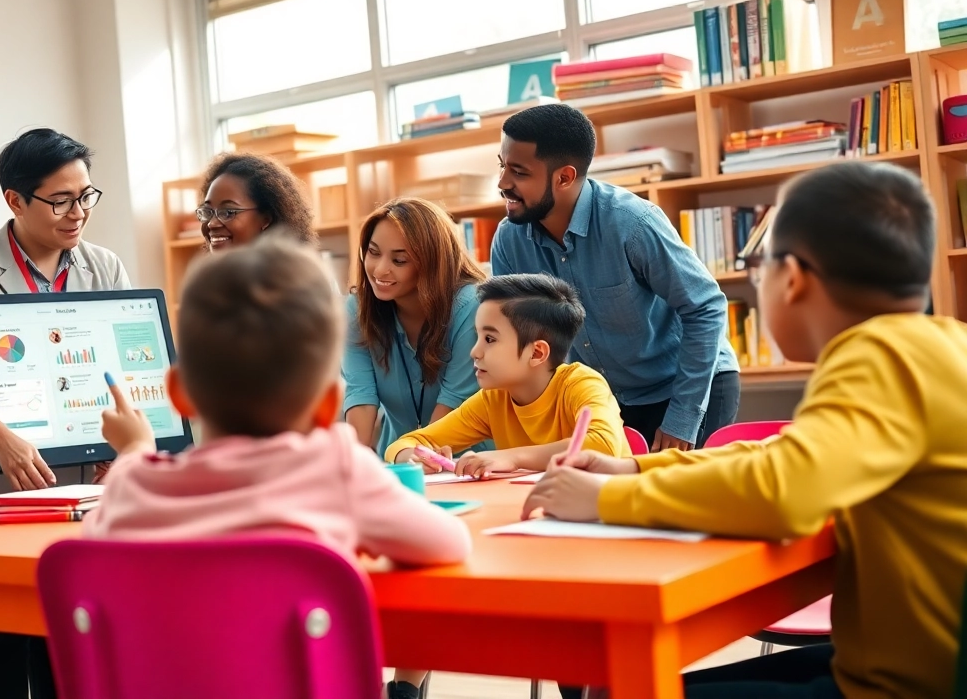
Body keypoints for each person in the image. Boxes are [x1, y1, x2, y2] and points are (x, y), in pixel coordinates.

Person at [524, 161, 967, 699]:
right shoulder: (942, 345)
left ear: (795, 279)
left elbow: (785, 491)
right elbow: (783, 456)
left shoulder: (879, 355)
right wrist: (632, 466)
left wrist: (611, 497)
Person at [82, 229, 471, 570]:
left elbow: (93, 546)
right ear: (325, 406)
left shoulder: (132, 487)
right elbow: (450, 543)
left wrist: (134, 448)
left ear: (179, 394)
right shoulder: (337, 471)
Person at [0, 128, 129, 699]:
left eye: (86, 196)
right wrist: (4, 439)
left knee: (65, 638)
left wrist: (122, 452)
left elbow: (120, 374)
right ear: (15, 200)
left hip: (80, 481)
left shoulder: (103, 267)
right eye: (60, 200)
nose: (77, 212)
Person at [490, 104, 738, 451]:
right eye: (502, 166)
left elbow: (706, 308)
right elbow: (519, 341)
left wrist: (683, 419)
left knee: (674, 500)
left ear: (564, 177)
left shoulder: (632, 224)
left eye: (518, 172)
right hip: (604, 397)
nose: (502, 183)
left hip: (686, 386)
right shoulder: (509, 241)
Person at [386, 273, 630, 473]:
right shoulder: (494, 400)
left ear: (536, 353)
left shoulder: (582, 384)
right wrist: (413, 457)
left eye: (490, 339)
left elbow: (602, 446)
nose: (474, 351)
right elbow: (406, 443)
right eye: (477, 336)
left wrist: (513, 458)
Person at [343, 197, 491, 459]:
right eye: (374, 252)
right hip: (400, 460)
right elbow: (360, 394)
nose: (380, 269)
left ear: (433, 264)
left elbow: (454, 401)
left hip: (470, 461)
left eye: (399, 260)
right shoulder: (356, 311)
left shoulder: (472, 308)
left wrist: (419, 455)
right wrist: (353, 466)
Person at [196, 152, 316, 251]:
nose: (212, 224)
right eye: (208, 212)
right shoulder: (210, 279)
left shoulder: (289, 279)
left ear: (266, 219)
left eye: (228, 212)